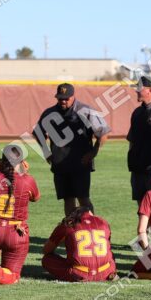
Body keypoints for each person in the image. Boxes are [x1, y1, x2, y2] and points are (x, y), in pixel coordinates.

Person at [33, 83, 110, 216]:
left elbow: (103, 133)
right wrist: (46, 152)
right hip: (60, 163)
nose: (63, 101)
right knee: (68, 199)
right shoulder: (50, 113)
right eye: (60, 98)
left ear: (73, 96)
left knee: (83, 199)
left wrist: (93, 153)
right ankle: (71, 230)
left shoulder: (86, 111)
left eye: (66, 98)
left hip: (81, 163)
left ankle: (92, 228)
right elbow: (38, 133)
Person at [0, 145, 40, 287]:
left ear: (2, 160)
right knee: (13, 276)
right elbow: (36, 198)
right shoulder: (28, 180)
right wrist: (24, 174)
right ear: (22, 162)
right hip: (15, 233)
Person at [42, 207, 117, 282]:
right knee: (111, 255)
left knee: (46, 259)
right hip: (105, 272)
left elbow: (46, 250)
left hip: (79, 273)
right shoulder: (103, 222)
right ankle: (110, 274)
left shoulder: (68, 225)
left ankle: (80, 277)